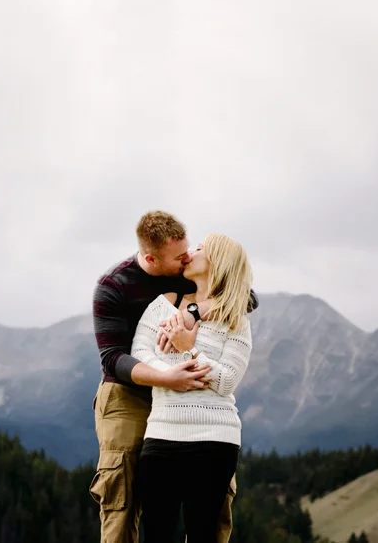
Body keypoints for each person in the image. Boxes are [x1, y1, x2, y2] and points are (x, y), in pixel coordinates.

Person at [89, 211, 255, 543]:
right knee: (122, 499)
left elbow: (241, 296)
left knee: (214, 513)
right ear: (152, 258)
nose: (187, 258)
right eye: (180, 257)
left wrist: (193, 313)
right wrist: (169, 376)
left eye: (190, 249)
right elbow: (114, 358)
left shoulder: (187, 276)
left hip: (199, 411)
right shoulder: (113, 286)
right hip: (128, 392)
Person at [131, 233, 254, 543]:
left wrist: (190, 349)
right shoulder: (164, 306)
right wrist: (171, 375)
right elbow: (140, 354)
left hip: (215, 440)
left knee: (202, 533)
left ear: (217, 262)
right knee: (156, 533)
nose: (190, 253)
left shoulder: (236, 320)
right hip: (162, 433)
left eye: (199, 248)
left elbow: (227, 381)